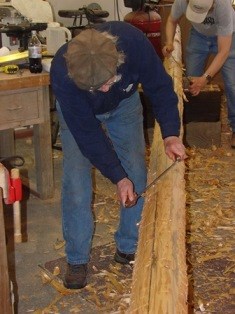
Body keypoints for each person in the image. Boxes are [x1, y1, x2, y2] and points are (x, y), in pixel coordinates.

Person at [50, 21, 186, 290]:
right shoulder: (61, 72)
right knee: (77, 183)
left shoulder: (134, 44)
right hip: (79, 115)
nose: (103, 90)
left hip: (124, 106)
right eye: (95, 87)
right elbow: (88, 136)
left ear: (119, 61)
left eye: (107, 82)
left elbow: (160, 88)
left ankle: (128, 244)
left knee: (135, 171)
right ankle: (77, 259)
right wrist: (116, 177)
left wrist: (170, 133)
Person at [162, 0, 235, 148]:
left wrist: (206, 78)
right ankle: (192, 126)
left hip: (227, 37)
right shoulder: (182, 1)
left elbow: (224, 51)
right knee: (191, 84)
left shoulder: (223, 6)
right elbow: (171, 20)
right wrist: (169, 42)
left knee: (233, 84)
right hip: (198, 36)